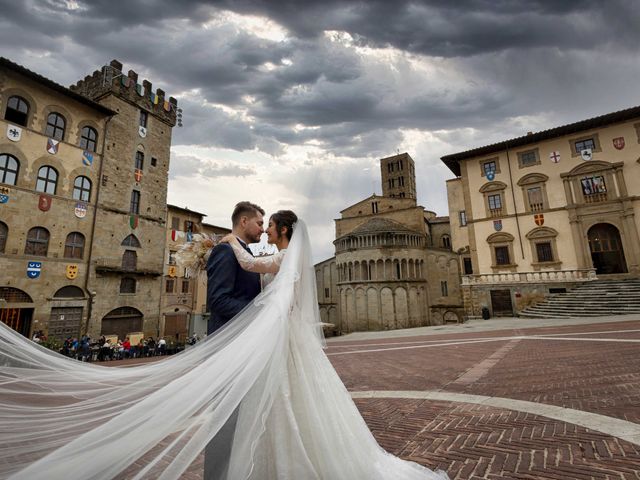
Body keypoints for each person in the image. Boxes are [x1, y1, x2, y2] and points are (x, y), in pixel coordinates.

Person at [0, 217, 448, 480]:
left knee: (289, 402)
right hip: (278, 340)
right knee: (288, 404)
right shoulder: (278, 256)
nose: (265, 228)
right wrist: (224, 243)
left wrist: (230, 246)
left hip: (278, 338)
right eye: (260, 222)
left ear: (283, 229)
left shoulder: (283, 259)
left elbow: (264, 277)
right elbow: (248, 271)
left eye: (269, 224)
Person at [205, 201, 264, 479]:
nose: (262, 229)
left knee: (243, 417)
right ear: (243, 221)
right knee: (225, 420)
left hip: (244, 345)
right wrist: (260, 314)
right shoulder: (225, 251)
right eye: (259, 223)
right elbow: (218, 300)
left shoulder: (244, 251)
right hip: (227, 347)